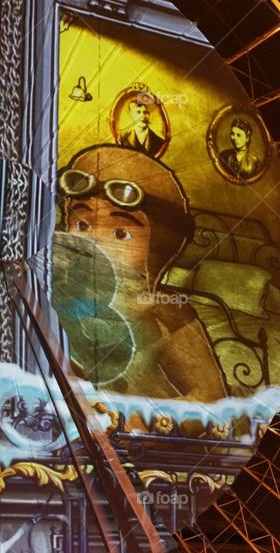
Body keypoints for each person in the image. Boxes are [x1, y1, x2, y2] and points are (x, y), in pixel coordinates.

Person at [56, 145, 228, 411]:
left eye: (121, 234)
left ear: (158, 248)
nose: (92, 242)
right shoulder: (52, 299)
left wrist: (149, 420)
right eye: (82, 225)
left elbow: (211, 397)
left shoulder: (164, 310)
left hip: (148, 443)